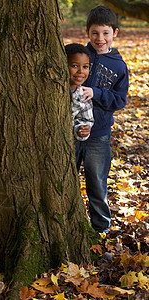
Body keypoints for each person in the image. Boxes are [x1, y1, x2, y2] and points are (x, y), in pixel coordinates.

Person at [75, 5, 129, 233]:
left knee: (97, 184)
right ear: (88, 32)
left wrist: (96, 93)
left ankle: (101, 230)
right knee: (63, 179)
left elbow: (119, 100)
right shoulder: (78, 56)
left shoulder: (119, 66)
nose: (100, 38)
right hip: (71, 131)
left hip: (99, 135)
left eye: (106, 33)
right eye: (95, 33)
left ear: (114, 33)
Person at [65, 43, 94, 141]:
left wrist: (82, 129)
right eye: (75, 66)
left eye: (85, 67)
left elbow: (86, 120)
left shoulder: (83, 95)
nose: (80, 71)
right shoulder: (52, 90)